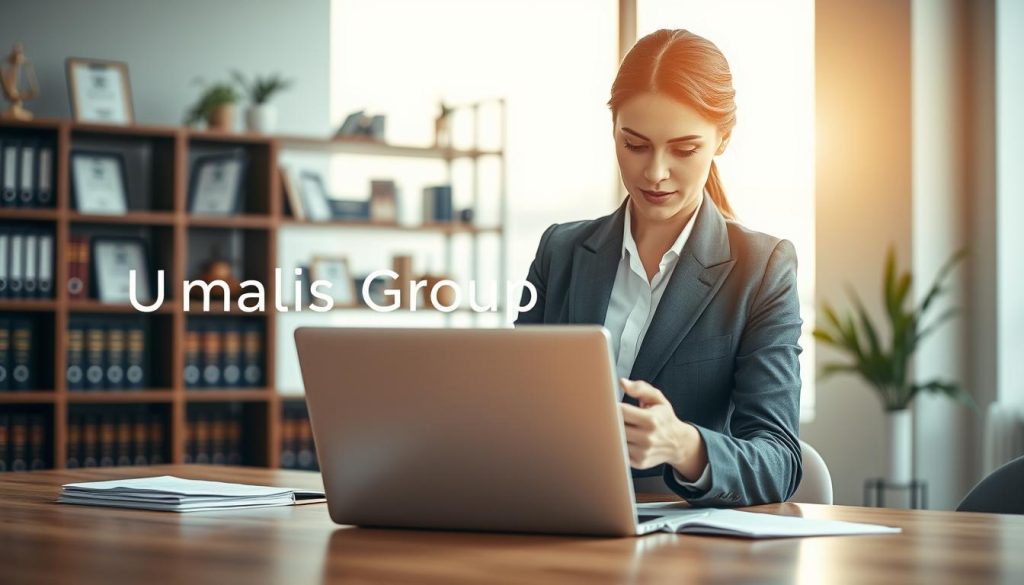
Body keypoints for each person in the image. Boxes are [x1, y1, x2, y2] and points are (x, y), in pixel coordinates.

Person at [514, 29, 803, 507]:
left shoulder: (762, 269)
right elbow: (515, 405)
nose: (655, 173)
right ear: (614, 132)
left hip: (680, 545)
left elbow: (780, 461)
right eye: (636, 145)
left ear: (722, 139)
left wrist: (682, 445)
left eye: (684, 150)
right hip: (552, 515)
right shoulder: (559, 251)